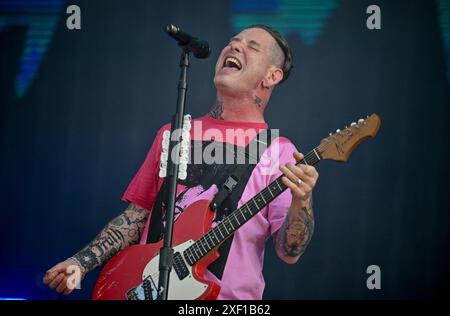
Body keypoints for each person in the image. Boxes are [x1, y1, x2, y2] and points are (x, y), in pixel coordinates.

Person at [43, 24, 319, 299]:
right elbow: (135, 218)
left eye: (252, 46)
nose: (234, 46)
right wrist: (81, 262)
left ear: (272, 76)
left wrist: (302, 200)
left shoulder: (279, 152)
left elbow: (289, 251)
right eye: (233, 40)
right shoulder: (174, 134)